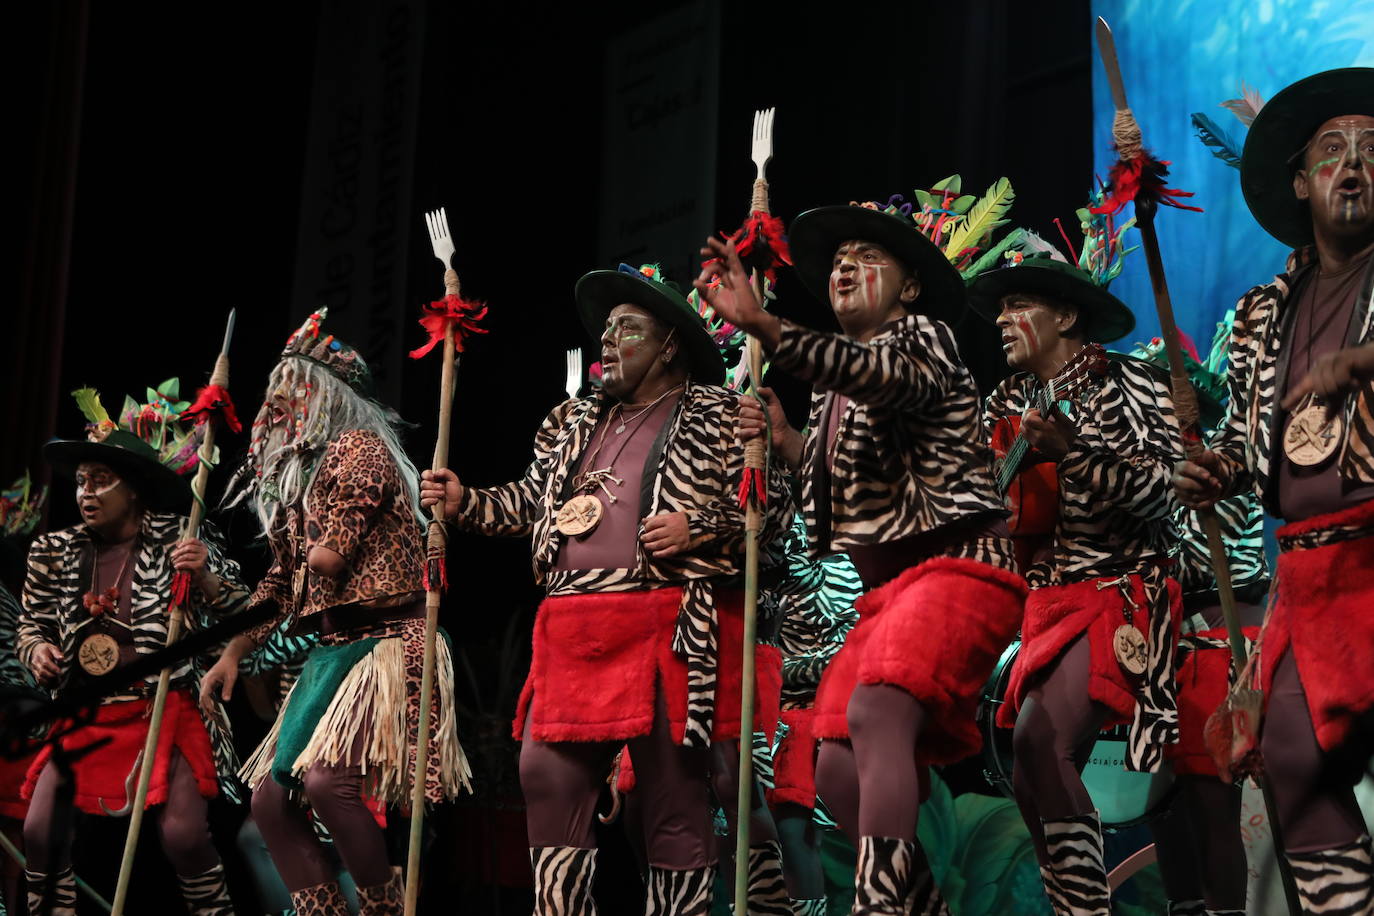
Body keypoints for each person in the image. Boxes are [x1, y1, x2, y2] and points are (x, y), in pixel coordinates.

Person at [421, 264, 791, 915]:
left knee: (670, 796)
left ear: (670, 342)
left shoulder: (718, 411)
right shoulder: (574, 422)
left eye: (628, 328)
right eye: (607, 329)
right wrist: (466, 502)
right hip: (571, 625)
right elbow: (530, 503)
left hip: (667, 622)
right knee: (543, 771)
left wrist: (698, 527)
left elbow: (772, 515)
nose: (609, 341)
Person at [701, 185, 1028, 915]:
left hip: (959, 568)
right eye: (838, 259)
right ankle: (918, 907)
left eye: (865, 256)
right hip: (888, 595)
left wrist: (768, 324)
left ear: (909, 284)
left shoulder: (923, 341)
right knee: (837, 763)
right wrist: (782, 442)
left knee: (878, 711)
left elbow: (889, 384)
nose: (844, 268)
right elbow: (838, 495)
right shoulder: (831, 385)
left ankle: (880, 908)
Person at [1173, 67, 1374, 911]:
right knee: (1289, 761)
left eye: (1373, 151)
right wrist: (1212, 467)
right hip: (1304, 573)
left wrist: (1360, 361)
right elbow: (1247, 448)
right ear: (1300, 183)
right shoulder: (1264, 311)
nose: (1355, 165)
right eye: (1332, 151)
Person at [205, 309, 470, 915]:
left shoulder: (362, 449)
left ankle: (380, 904)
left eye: (291, 391)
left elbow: (327, 558)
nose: (278, 406)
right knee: (269, 803)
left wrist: (295, 532)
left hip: (384, 642)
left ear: (324, 397)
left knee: (328, 783)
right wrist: (234, 651)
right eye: (273, 393)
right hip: (332, 648)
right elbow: (279, 582)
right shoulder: (299, 481)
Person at [969, 211, 1185, 914]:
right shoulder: (1004, 404)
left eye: (1018, 305)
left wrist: (1077, 456)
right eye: (998, 307)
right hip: (1046, 606)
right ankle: (1076, 906)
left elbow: (1165, 495)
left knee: (1039, 741)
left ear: (1066, 316)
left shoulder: (1130, 382)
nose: (1002, 319)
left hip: (1122, 594)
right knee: (1029, 776)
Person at [18, 385, 248, 915]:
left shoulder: (181, 537)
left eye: (101, 481)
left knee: (185, 837)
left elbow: (245, 613)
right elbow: (29, 628)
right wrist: (37, 654)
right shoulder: (52, 551)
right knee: (40, 830)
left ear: (136, 490)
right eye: (81, 482)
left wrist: (205, 578)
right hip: (84, 711)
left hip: (159, 706)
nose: (86, 494)